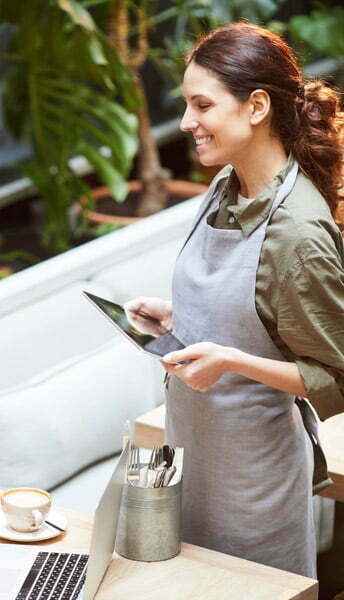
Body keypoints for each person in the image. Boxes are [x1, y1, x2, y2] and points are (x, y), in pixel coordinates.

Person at [125, 22, 343, 578]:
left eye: (202, 105)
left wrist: (231, 362)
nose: (186, 122)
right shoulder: (226, 185)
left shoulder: (298, 235)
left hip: (254, 490)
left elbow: (336, 376)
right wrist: (178, 318)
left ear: (257, 107)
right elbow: (256, 316)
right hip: (191, 464)